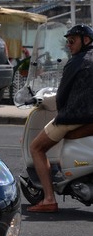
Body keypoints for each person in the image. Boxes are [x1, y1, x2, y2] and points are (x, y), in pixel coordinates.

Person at [28, 24, 93, 213]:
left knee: (36, 147)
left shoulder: (77, 61)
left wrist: (59, 108)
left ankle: (49, 199)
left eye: (72, 41)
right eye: (67, 41)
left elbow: (62, 94)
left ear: (86, 40)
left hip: (75, 117)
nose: (69, 45)